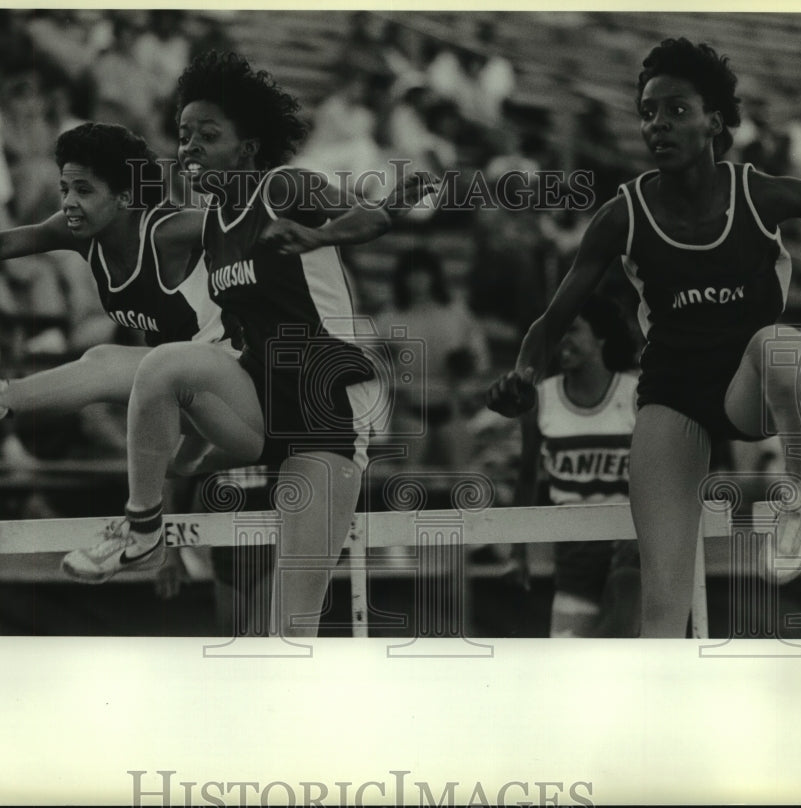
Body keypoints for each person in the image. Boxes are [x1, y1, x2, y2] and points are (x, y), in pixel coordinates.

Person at [61, 52, 436, 640]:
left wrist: (316, 234)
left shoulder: (282, 185)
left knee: (289, 632)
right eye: (184, 137)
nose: (190, 149)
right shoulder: (210, 224)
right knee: (162, 365)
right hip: (261, 392)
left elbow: (372, 219)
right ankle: (142, 530)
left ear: (249, 146)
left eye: (208, 136)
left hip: (324, 403)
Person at [487, 38, 801, 638]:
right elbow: (555, 318)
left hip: (747, 386)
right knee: (663, 610)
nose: (657, 124)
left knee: (782, 345)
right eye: (648, 112)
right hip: (672, 393)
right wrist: (523, 371)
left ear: (713, 121)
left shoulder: (759, 194)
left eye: (676, 109)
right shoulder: (624, 214)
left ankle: (800, 491)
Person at [0, 121, 229, 431]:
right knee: (168, 461)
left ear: (124, 197)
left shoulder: (168, 231)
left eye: (84, 190)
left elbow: (251, 222)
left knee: (105, 362)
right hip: (187, 385)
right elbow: (5, 240)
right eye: (65, 189)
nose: (68, 202)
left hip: (232, 372)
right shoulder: (75, 230)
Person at [516, 296, 640, 638]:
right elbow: (527, 476)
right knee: (570, 666)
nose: (562, 341)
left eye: (572, 331)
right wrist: (518, 551)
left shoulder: (635, 394)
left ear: (600, 336)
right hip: (574, 556)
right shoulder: (541, 398)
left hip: (630, 550)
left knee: (631, 662)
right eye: (557, 334)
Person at [375, 247, 489, 468]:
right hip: (408, 406)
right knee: (409, 470)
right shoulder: (389, 318)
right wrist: (390, 366)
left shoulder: (456, 313)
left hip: (450, 405)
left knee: (464, 470)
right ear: (402, 279)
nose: (418, 281)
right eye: (411, 275)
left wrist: (465, 364)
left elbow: (480, 359)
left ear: (434, 276)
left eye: (423, 274)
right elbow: (375, 366)